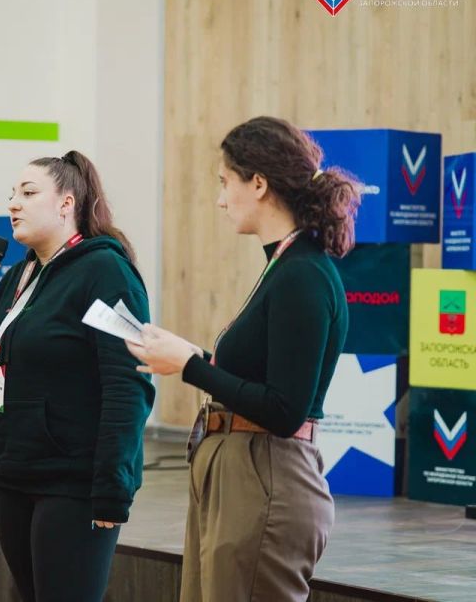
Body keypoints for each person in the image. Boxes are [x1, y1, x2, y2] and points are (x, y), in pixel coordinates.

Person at [126, 116, 360, 602]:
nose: (220, 199)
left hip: (267, 478)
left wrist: (191, 366)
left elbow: (284, 409)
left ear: (258, 183)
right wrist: (189, 355)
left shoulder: (302, 275)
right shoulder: (285, 265)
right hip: (247, 476)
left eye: (224, 182)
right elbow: (259, 375)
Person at [0, 150, 154, 602]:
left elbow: (128, 384)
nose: (13, 204)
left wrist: (113, 486)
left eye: (28, 193)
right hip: (12, 474)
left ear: (67, 203)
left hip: (73, 483)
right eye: (12, 194)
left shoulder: (106, 272)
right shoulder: (18, 276)